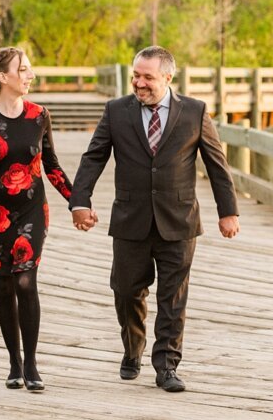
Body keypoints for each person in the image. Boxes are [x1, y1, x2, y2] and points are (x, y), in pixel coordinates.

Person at [70, 46, 239, 392]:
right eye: (136, 75)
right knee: (126, 290)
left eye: (147, 76)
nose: (139, 82)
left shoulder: (195, 112)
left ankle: (166, 366)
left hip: (179, 219)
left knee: (173, 297)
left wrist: (228, 211)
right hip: (130, 218)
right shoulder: (117, 111)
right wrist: (80, 200)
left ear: (167, 77)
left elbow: (216, 164)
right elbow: (94, 157)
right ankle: (133, 349)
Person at [0, 47, 74, 392]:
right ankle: (13, 362)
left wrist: (77, 201)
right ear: (3, 77)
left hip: (31, 212)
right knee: (4, 285)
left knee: (26, 282)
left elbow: (52, 165)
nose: (30, 75)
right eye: (23, 69)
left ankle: (31, 363)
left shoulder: (40, 115)